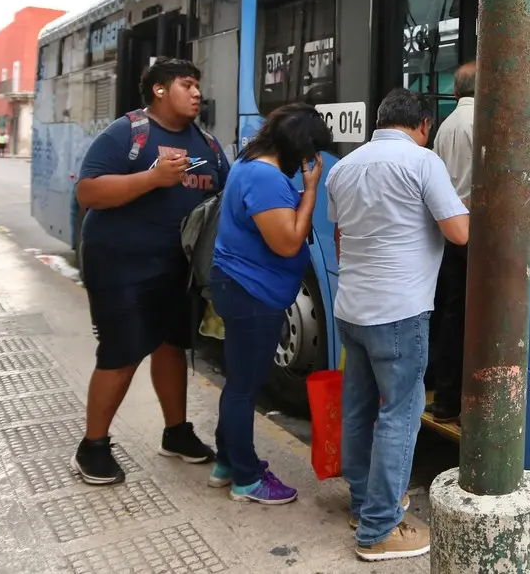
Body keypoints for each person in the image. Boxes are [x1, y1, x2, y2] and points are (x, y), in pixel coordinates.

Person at [71, 58, 231, 485]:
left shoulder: (208, 145)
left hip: (177, 269)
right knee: (122, 353)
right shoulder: (128, 132)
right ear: (160, 89)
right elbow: (87, 192)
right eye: (187, 84)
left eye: (198, 86)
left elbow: (226, 199)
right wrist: (151, 178)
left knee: (171, 346)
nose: (197, 93)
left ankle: (176, 432)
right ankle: (93, 446)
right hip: (119, 263)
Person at [326, 88, 469, 562]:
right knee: (400, 415)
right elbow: (459, 231)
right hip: (399, 312)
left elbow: (342, 237)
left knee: (359, 409)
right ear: (424, 125)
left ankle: (364, 504)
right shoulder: (422, 162)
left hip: (351, 309)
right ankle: (379, 529)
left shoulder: (343, 168)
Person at [208, 103, 332, 505]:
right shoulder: (264, 177)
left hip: (242, 288)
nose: (311, 161)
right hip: (252, 293)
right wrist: (311, 190)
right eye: (312, 152)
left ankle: (227, 462)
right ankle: (245, 478)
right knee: (245, 387)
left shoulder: (250, 164)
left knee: (239, 382)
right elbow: (288, 241)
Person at [427, 62, 475, 423]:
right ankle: (471, 406)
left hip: (448, 228)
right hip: (477, 232)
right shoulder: (486, 122)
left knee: (450, 315)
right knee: (477, 322)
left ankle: (445, 400)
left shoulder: (444, 126)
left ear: (456, 92)